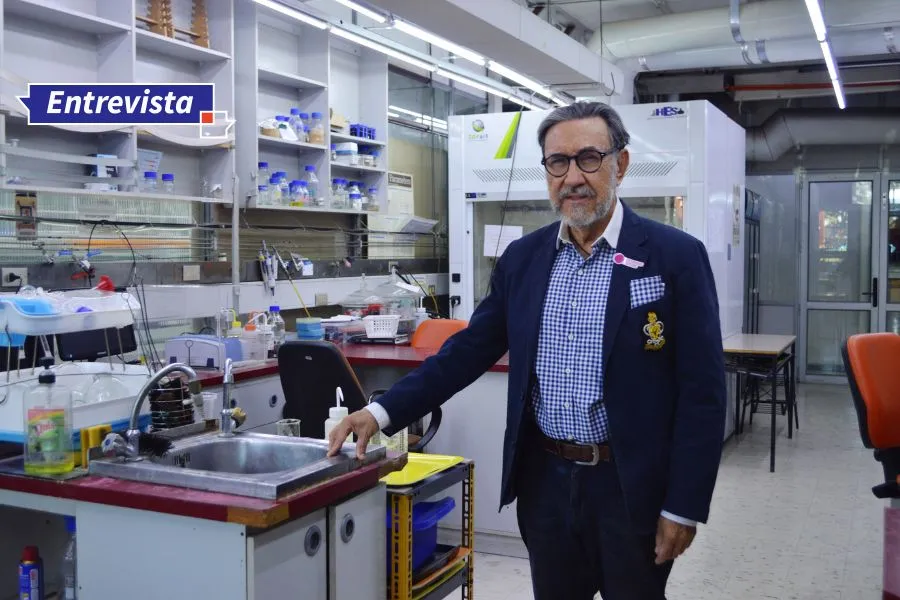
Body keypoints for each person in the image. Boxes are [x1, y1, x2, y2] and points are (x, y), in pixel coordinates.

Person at [327, 101, 726, 600]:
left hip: (631, 487)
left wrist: (683, 506)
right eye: (558, 162)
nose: (573, 177)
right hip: (546, 485)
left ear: (619, 165)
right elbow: (468, 350)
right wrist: (381, 412)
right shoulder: (525, 259)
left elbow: (702, 393)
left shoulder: (674, 256)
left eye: (589, 158)